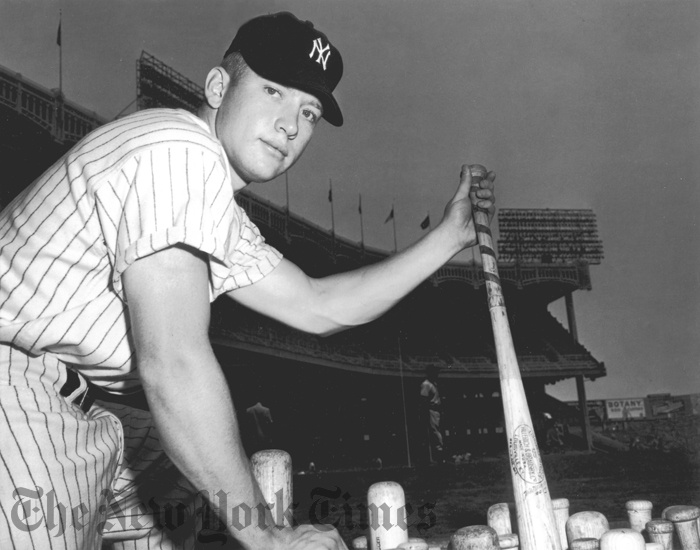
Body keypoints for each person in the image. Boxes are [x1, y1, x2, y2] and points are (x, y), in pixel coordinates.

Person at [0, 10, 495, 550]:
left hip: (95, 408)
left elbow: (319, 305)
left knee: (186, 475)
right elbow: (173, 361)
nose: (291, 125)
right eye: (274, 91)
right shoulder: (176, 149)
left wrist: (449, 237)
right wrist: (268, 536)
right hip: (17, 390)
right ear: (217, 87)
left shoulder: (213, 207)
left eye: (309, 112)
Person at [420, 366, 444, 463]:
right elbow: (424, 399)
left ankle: (439, 454)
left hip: (436, 410)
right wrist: (425, 412)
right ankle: (438, 455)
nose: (437, 374)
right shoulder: (426, 384)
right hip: (431, 410)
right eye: (435, 372)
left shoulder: (434, 383)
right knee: (435, 432)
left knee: (437, 431)